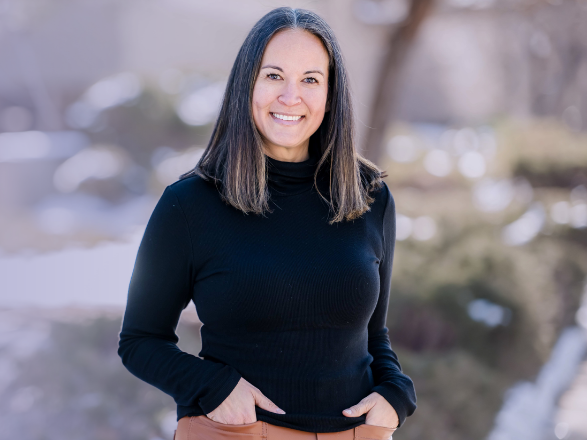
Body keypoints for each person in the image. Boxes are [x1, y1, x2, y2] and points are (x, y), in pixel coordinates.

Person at [117, 7, 416, 439]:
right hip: (236, 432)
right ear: (247, 84)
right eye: (274, 75)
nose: (291, 96)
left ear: (331, 93)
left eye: (311, 79)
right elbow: (140, 341)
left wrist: (395, 393)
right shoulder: (190, 205)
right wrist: (214, 387)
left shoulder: (369, 197)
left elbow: (372, 332)